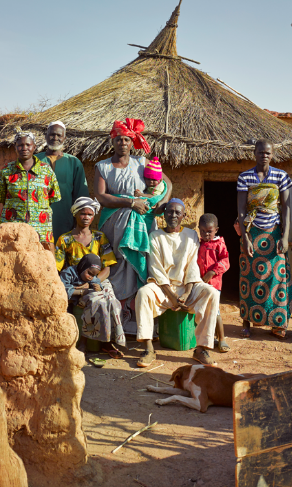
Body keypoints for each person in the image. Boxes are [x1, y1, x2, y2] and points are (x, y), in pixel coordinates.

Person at [94, 119, 171, 333]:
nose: (123, 143)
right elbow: (102, 197)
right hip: (114, 228)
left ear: (132, 142)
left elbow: (167, 184)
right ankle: (118, 324)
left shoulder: (143, 162)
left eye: (127, 139)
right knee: (117, 265)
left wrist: (160, 204)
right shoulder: (103, 167)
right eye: (118, 139)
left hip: (143, 226)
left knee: (143, 267)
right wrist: (130, 202)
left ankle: (143, 325)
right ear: (113, 141)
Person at [135, 199, 220, 367]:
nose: (173, 215)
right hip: (164, 289)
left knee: (211, 293)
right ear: (164, 214)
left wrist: (187, 293)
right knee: (143, 293)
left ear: (184, 216)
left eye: (177, 212)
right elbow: (156, 270)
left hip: (187, 287)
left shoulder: (191, 235)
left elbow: (192, 266)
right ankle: (149, 348)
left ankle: (201, 349)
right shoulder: (155, 237)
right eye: (169, 211)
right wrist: (173, 297)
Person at [236, 139, 292, 339]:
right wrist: (245, 237)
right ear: (255, 153)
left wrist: (285, 236)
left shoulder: (282, 176)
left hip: (274, 233)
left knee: (276, 277)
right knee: (249, 276)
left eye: (268, 152)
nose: (264, 155)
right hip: (252, 233)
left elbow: (286, 208)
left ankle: (277, 323)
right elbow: (242, 209)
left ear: (272, 154)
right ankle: (246, 322)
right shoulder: (244, 177)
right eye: (261, 152)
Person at [0, 131, 61, 249]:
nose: (24, 148)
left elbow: (53, 197)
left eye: (28, 145)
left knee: (43, 261)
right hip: (13, 228)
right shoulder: (6, 171)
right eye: (20, 145)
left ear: (34, 147)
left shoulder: (46, 171)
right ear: (15, 148)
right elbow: (1, 198)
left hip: (41, 229)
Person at [59, 253, 125, 358]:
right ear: (82, 266)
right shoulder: (68, 273)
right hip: (72, 303)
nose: (91, 277)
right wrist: (81, 291)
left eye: (93, 275)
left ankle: (107, 341)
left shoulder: (91, 276)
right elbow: (62, 290)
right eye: (89, 273)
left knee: (110, 303)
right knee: (95, 303)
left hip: (86, 298)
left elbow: (97, 283)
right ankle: (83, 343)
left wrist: (97, 287)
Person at [35, 121, 91, 241]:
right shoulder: (35, 161)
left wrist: (80, 222)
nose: (55, 138)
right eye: (52, 134)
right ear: (46, 136)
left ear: (64, 138)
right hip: (37, 218)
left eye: (59, 135)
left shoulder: (74, 162)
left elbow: (81, 194)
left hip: (65, 218)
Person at [197, 213, 230, 353]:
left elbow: (225, 261)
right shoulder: (198, 243)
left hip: (214, 284)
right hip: (200, 284)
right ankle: (208, 338)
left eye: (209, 232)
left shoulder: (219, 243)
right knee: (203, 311)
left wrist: (213, 272)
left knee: (215, 311)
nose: (206, 234)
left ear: (216, 229)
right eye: (203, 231)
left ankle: (222, 338)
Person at [55, 197, 117, 272]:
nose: (86, 217)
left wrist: (94, 282)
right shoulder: (64, 239)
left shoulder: (99, 237)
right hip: (72, 281)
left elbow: (107, 269)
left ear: (93, 217)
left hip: (97, 280)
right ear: (75, 214)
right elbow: (57, 267)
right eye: (82, 214)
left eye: (90, 214)